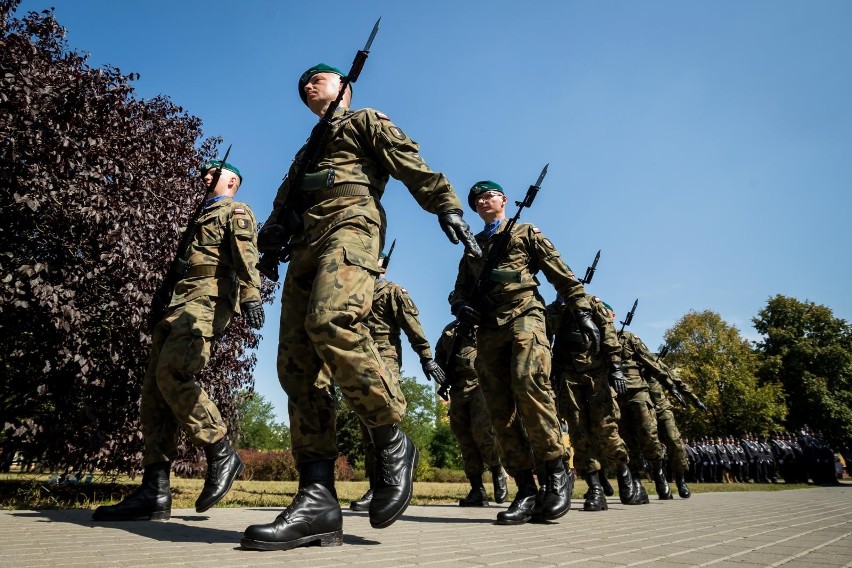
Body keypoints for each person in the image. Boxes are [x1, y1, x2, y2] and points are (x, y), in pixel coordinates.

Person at [243, 64, 480, 551]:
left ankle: (391, 434)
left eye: (319, 79)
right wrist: (269, 241)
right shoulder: (305, 151)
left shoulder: (364, 120)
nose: (307, 85)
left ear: (344, 88)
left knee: (331, 320)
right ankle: (318, 502)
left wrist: (446, 206)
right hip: (305, 247)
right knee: (296, 365)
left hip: (351, 225)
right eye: (302, 83)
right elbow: (283, 206)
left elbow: (411, 162)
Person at [92, 160, 264, 521]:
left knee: (174, 373)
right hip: (176, 305)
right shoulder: (198, 219)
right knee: (154, 395)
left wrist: (251, 295)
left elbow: (247, 256)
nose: (205, 176)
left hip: (205, 302)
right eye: (205, 172)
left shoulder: (236, 210)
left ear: (232, 181)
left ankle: (220, 450)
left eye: (214, 173)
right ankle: (154, 492)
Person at [450, 180, 598, 525]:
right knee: (498, 407)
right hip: (488, 329)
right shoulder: (472, 248)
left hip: (525, 315)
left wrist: (582, 311)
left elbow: (560, 273)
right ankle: (526, 489)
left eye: (489, 195)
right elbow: (458, 291)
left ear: (503, 200)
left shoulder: (525, 231)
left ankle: (556, 471)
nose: (483, 201)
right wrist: (460, 305)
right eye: (477, 199)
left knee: (529, 383)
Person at [349, 251, 445, 511]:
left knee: (381, 420)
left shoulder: (393, 292)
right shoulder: (353, 291)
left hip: (385, 361)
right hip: (359, 361)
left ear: (383, 266)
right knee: (367, 428)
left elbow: (412, 325)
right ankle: (375, 486)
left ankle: (389, 482)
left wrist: (426, 357)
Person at [548, 295, 648, 511]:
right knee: (578, 432)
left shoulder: (591, 303)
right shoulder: (555, 310)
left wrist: (616, 367)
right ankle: (595, 489)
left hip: (597, 373)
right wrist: (558, 306)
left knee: (606, 428)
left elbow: (608, 332)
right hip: (568, 375)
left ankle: (625, 474)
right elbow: (548, 332)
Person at [435, 319, 508, 507]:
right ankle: (477, 490)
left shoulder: (487, 324)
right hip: (458, 389)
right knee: (464, 439)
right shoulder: (449, 330)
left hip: (481, 387)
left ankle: (497, 471)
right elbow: (440, 358)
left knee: (483, 431)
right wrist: (442, 377)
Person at [616, 328, 672, 500]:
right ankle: (637, 482)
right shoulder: (597, 338)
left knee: (649, 434)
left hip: (638, 392)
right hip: (616, 395)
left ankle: (658, 472)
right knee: (627, 440)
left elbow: (650, 361)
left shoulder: (628, 337)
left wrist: (670, 383)